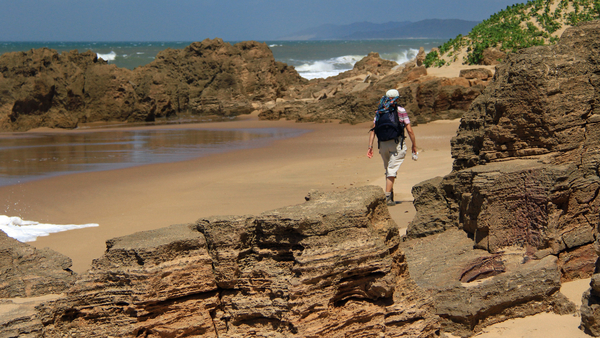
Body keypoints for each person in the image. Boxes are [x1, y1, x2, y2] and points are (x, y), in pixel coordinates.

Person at [367, 89, 417, 206]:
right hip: (396, 143)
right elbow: (409, 130)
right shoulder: (401, 111)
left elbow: (373, 130)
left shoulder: (380, 111)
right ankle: (388, 197)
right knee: (392, 170)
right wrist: (414, 145)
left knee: (388, 169)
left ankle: (390, 193)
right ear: (397, 98)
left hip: (382, 144)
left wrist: (370, 146)